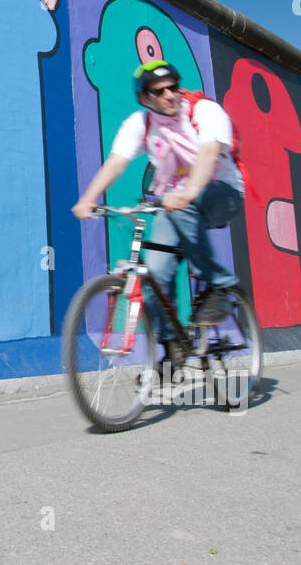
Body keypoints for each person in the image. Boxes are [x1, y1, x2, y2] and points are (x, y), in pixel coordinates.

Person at [72, 60, 245, 373]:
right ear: (145, 98)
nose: (170, 95)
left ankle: (219, 284)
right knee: (154, 272)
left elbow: (207, 154)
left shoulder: (203, 111)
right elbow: (116, 162)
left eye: (173, 87)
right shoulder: (141, 124)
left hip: (223, 192)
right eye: (159, 91)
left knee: (185, 206)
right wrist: (87, 199)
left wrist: (189, 192)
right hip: (174, 203)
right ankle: (172, 348)